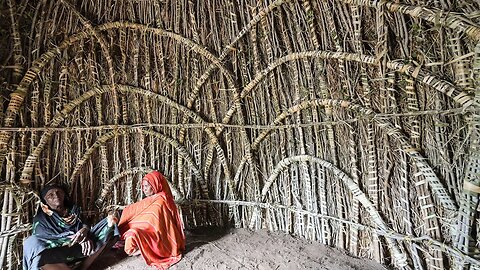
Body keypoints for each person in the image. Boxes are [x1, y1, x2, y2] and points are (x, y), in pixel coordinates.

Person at [23, 184, 119, 270]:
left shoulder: (74, 211)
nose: (56, 195)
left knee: (110, 222)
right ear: (45, 201)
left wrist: (84, 232)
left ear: (64, 195)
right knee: (32, 243)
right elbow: (46, 238)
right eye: (50, 195)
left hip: (80, 248)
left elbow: (85, 225)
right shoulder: (41, 219)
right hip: (58, 252)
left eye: (58, 192)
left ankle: (84, 267)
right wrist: (77, 238)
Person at [118, 170, 185, 269]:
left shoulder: (162, 201)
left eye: (146, 186)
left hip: (158, 235)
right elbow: (136, 211)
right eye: (143, 186)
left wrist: (140, 229)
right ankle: (145, 248)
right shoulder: (151, 199)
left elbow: (155, 223)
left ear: (155, 185)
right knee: (131, 235)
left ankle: (147, 249)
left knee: (132, 235)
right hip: (148, 230)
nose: (143, 189)